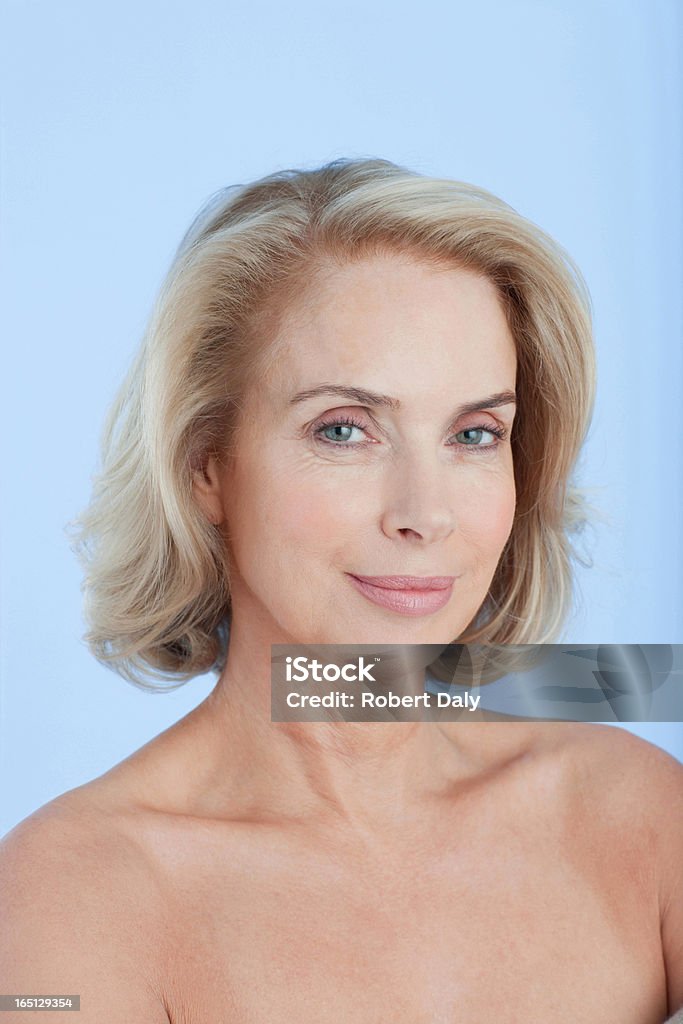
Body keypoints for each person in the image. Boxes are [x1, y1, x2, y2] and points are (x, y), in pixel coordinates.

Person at [1, 158, 681, 1022]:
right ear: (205, 464)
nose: (424, 514)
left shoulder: (640, 815)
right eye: (345, 429)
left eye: (474, 433)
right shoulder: (70, 895)